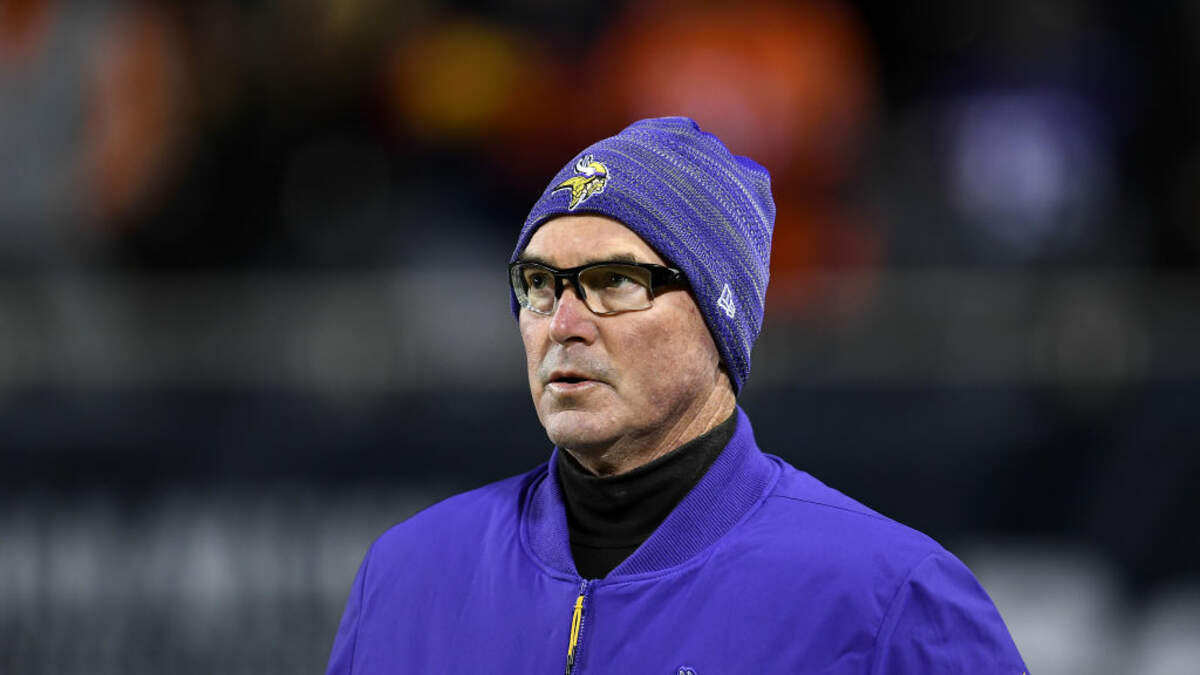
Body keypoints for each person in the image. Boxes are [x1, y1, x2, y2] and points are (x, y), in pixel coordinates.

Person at [325, 117, 1028, 674]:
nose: (562, 325)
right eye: (539, 285)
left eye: (613, 282)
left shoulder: (888, 598)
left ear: (718, 319)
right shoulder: (407, 575)